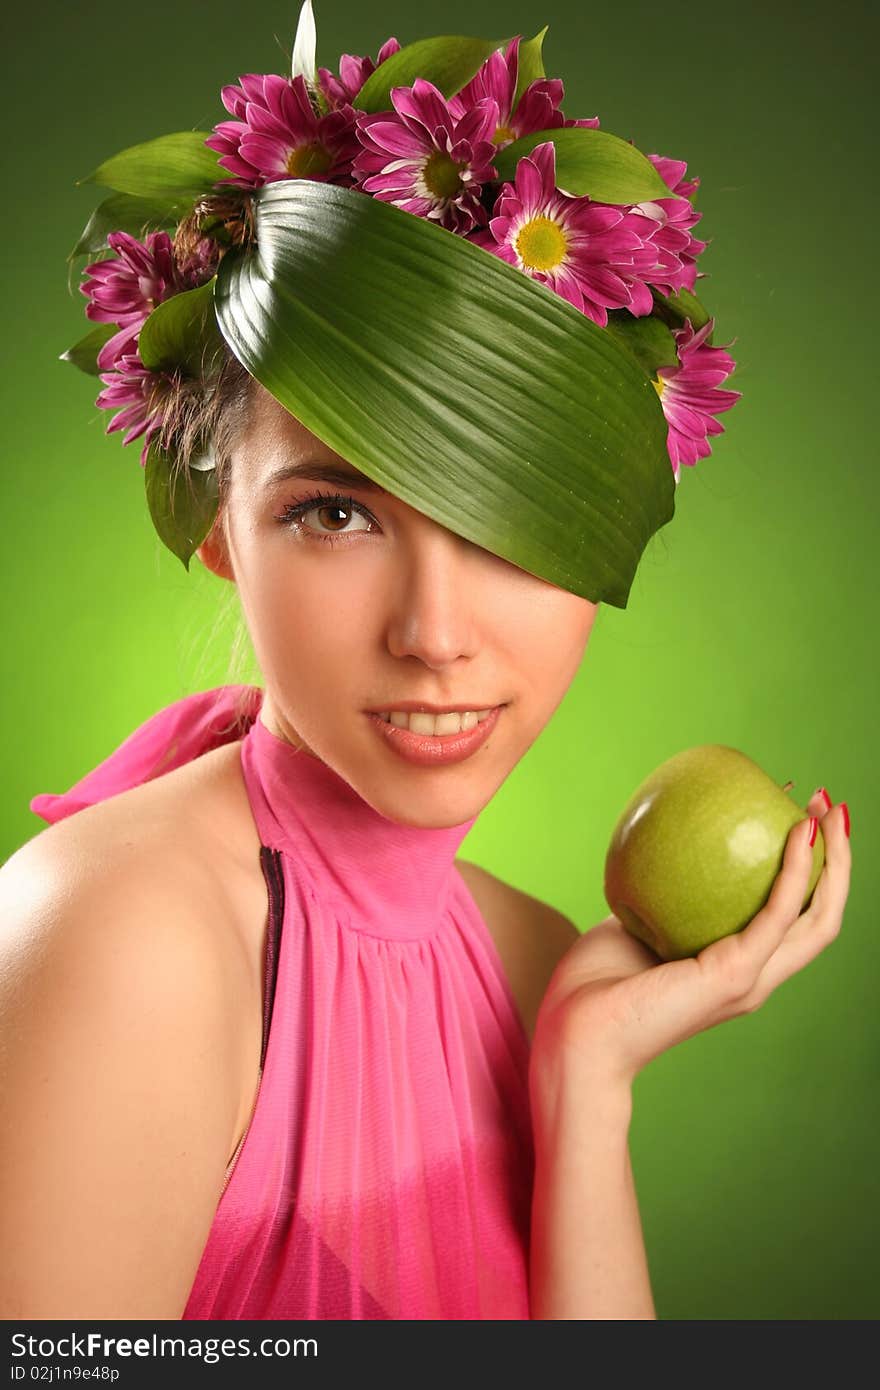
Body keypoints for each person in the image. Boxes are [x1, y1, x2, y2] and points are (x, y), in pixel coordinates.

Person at [0, 6, 851, 1320]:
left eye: (510, 509)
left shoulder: (537, 963)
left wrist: (586, 1096)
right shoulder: (127, 948)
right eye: (335, 512)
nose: (436, 631)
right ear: (224, 527)